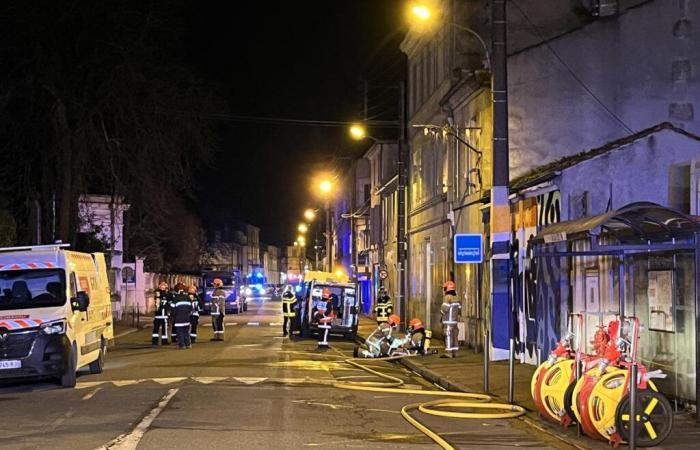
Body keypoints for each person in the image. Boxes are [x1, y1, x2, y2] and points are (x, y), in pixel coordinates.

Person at [440, 280, 461, 358]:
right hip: (455, 321)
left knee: (448, 336)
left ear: (447, 289)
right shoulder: (457, 298)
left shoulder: (447, 297)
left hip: (448, 321)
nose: (444, 290)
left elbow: (444, 309)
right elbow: (459, 309)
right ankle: (456, 352)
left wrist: (441, 313)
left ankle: (448, 353)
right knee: (455, 336)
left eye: (445, 288)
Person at [172, 283, 193, 349]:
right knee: (186, 331)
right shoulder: (187, 297)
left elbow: (173, 309)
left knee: (180, 332)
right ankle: (188, 344)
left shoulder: (176, 298)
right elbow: (191, 308)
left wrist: (173, 316)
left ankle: (182, 345)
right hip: (186, 317)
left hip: (178, 318)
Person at [152, 281, 171, 346]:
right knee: (159, 329)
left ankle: (155, 341)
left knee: (159, 329)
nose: (163, 286)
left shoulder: (159, 293)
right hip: (162, 315)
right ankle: (162, 341)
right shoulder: (161, 294)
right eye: (162, 285)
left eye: (164, 285)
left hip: (160, 315)